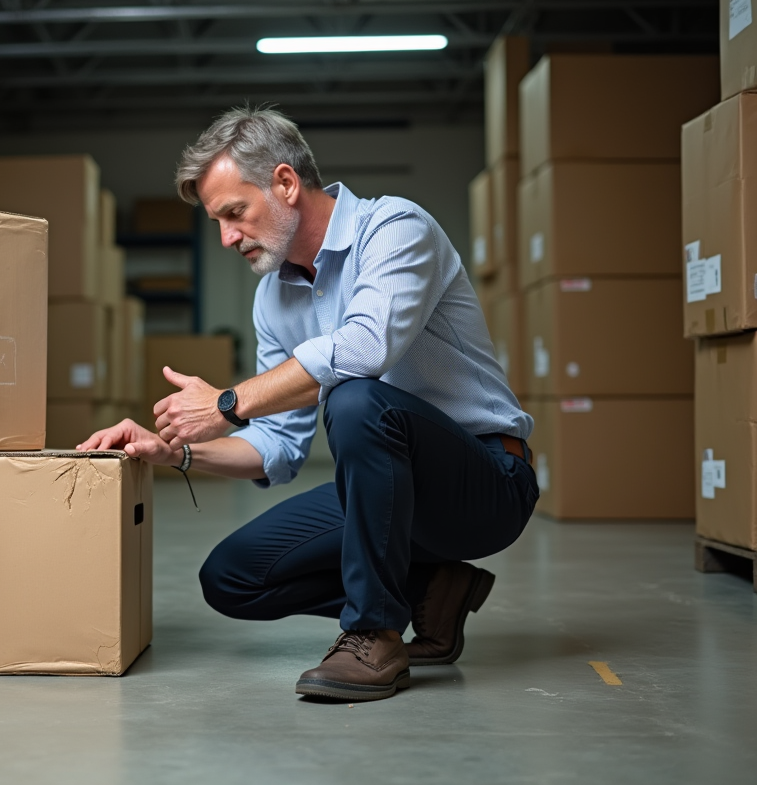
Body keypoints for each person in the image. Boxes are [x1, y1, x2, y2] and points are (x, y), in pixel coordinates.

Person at [78, 106, 537, 703]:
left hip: (486, 484)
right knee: (232, 577)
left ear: (285, 183)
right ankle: (432, 592)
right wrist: (177, 453)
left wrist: (227, 402)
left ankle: (373, 634)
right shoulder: (273, 300)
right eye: (217, 222)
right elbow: (278, 446)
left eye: (234, 213)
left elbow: (366, 348)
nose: (227, 238)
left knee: (356, 398)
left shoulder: (395, 228)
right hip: (389, 494)